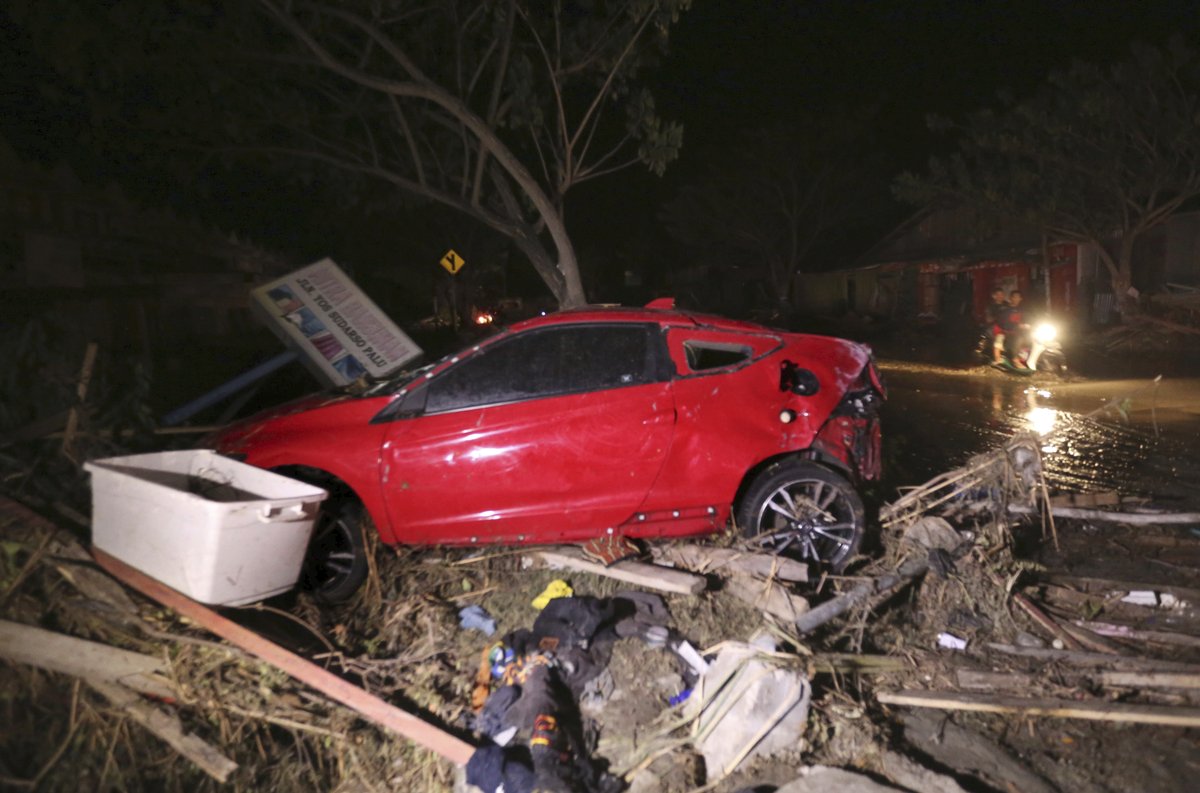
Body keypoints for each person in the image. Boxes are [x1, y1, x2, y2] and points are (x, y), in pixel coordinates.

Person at [998, 289, 1031, 369]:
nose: (1016, 299)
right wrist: (1017, 326)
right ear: (1010, 298)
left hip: (1022, 332)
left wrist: (1032, 324)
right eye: (1014, 297)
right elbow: (1004, 323)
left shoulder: (1022, 309)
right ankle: (1015, 359)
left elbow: (1029, 318)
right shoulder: (1006, 310)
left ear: (1021, 299)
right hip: (1009, 333)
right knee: (1018, 339)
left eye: (1018, 297)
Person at [985, 288, 1008, 365]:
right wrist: (998, 317)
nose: (1000, 296)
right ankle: (997, 359)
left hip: (1008, 327)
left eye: (1002, 294)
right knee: (1000, 336)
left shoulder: (1007, 304)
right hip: (995, 327)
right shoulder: (991, 306)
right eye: (998, 295)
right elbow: (988, 319)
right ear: (994, 296)